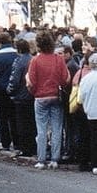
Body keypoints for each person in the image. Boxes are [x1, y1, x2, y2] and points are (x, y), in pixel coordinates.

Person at [27, 33, 70, 169]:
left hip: (40, 97)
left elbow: (31, 82)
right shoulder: (58, 59)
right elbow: (65, 79)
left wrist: (33, 92)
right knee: (57, 128)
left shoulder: (35, 60)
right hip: (55, 95)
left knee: (41, 129)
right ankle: (55, 159)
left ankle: (41, 159)